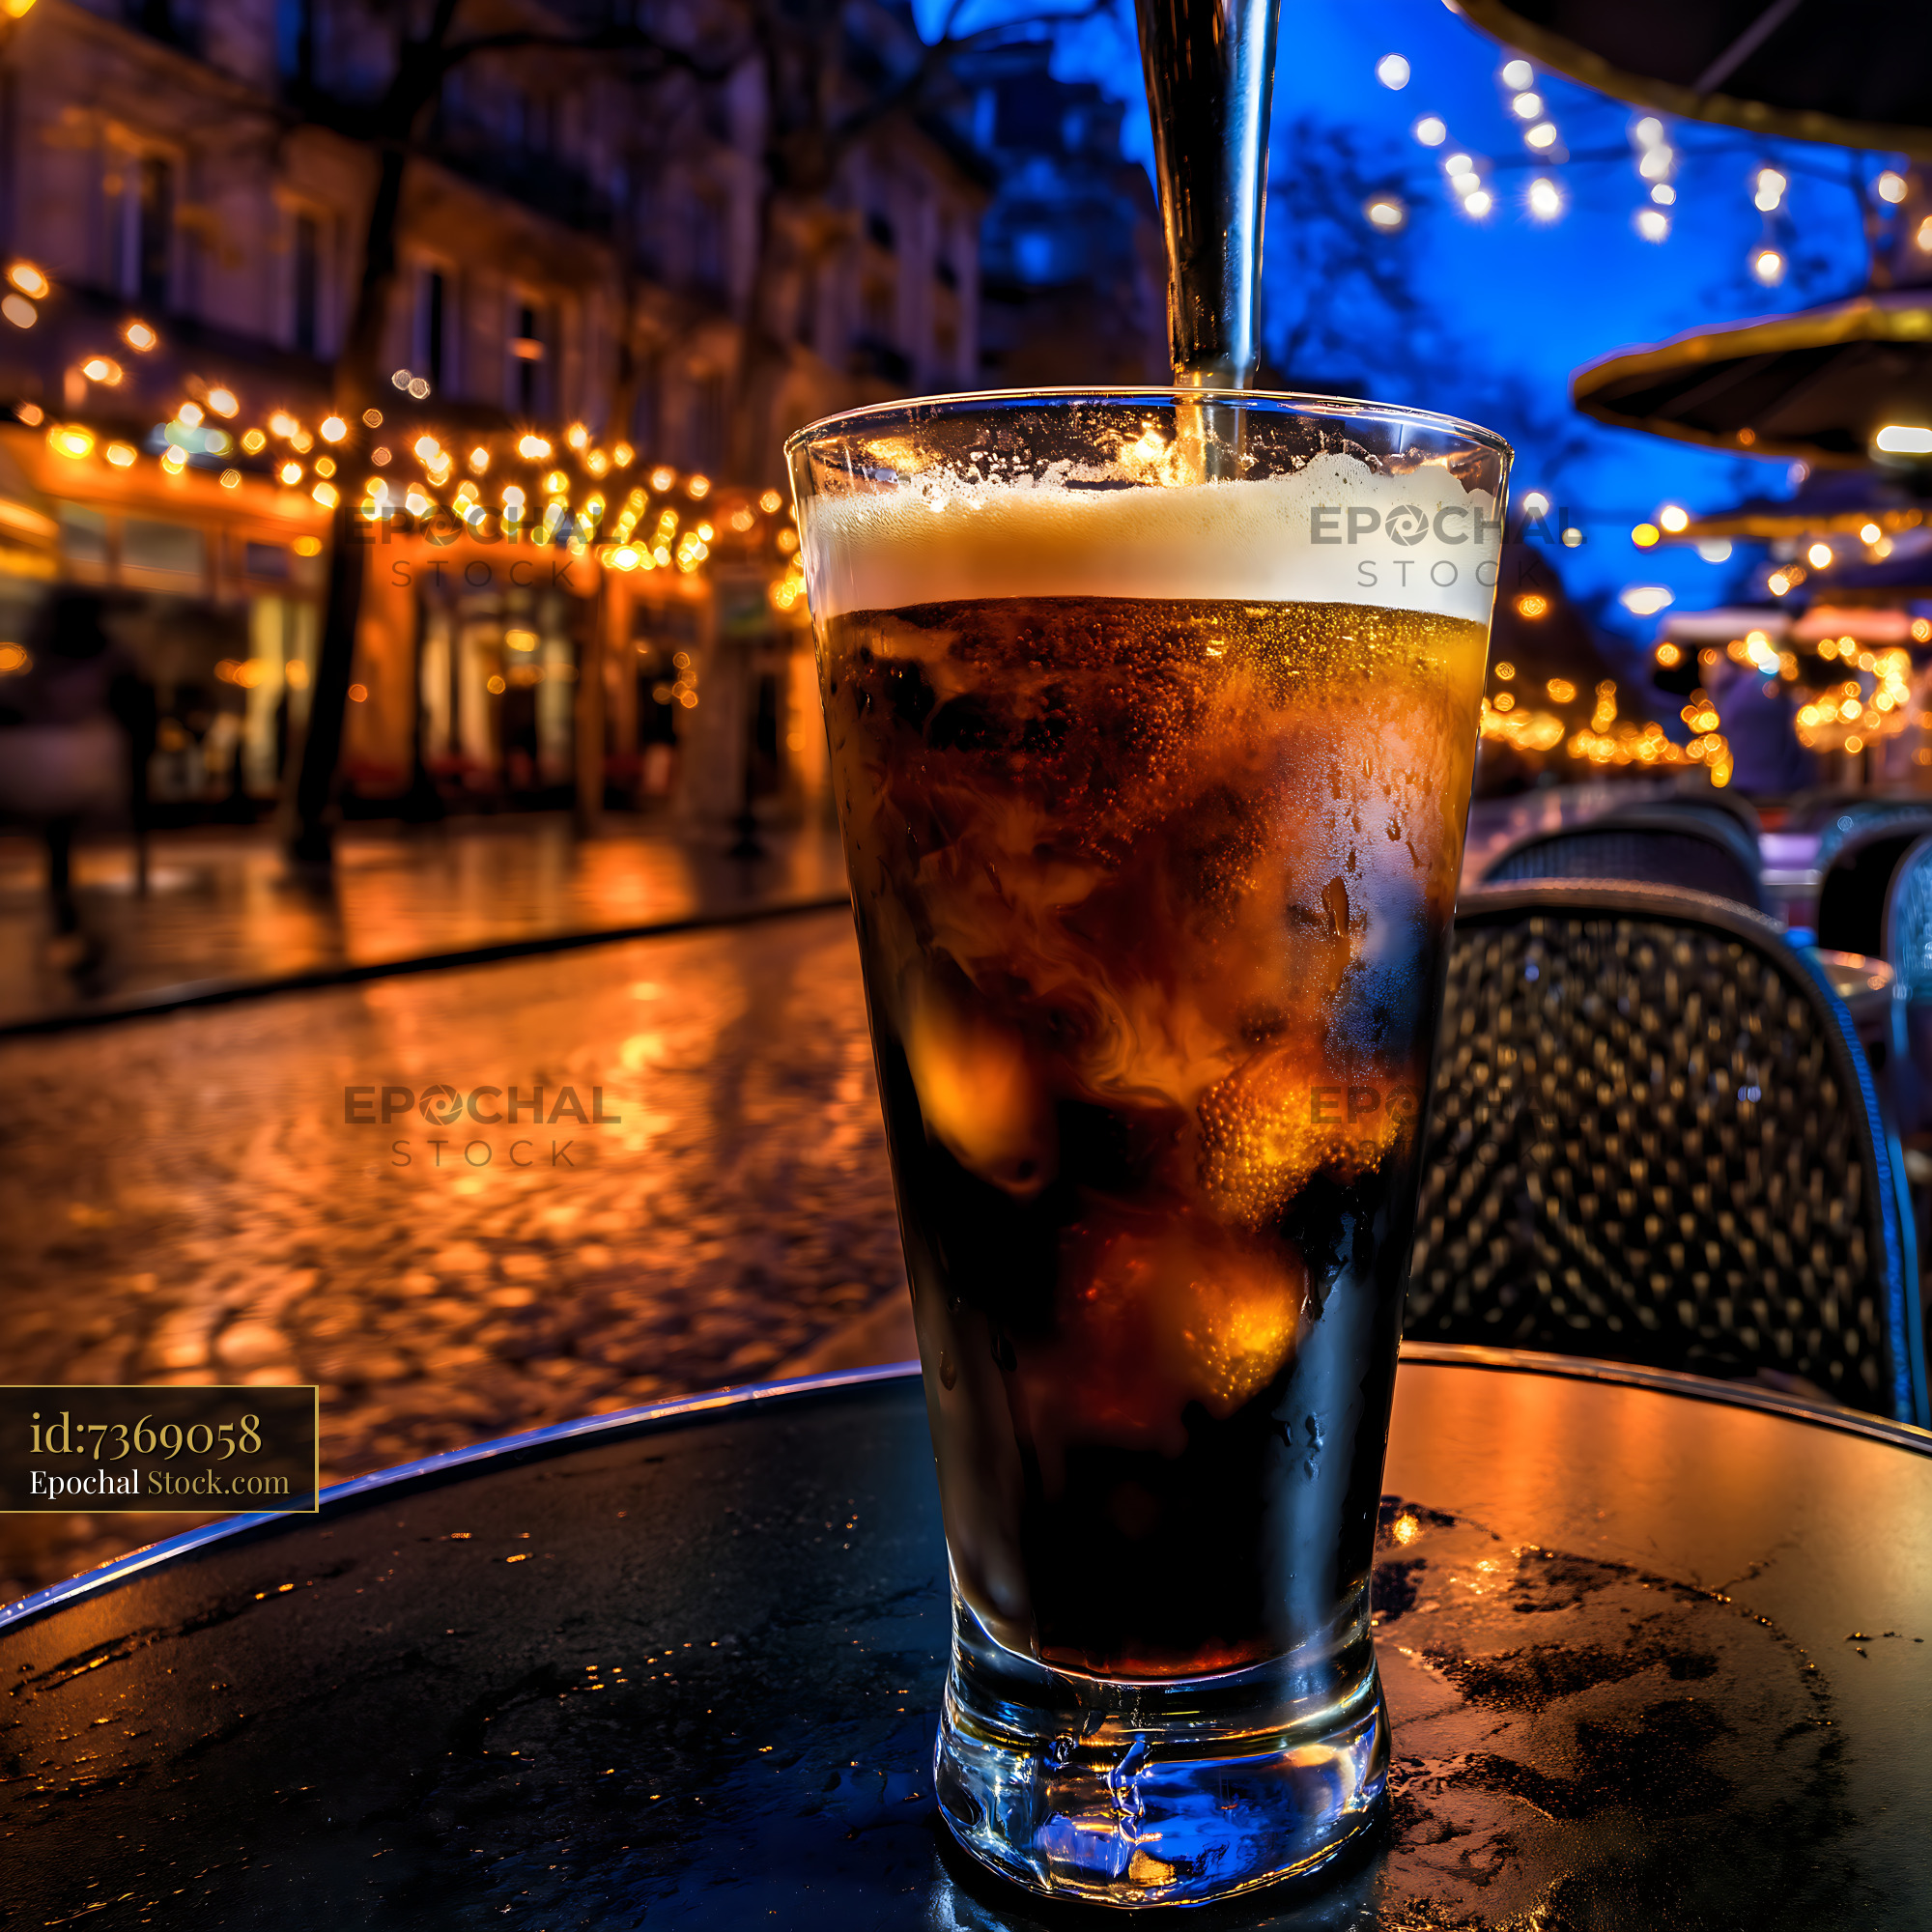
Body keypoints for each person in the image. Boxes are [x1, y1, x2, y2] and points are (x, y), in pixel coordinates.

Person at [0, 589, 154, 971]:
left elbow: (16, 704)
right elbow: (137, 711)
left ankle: (69, 920)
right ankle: (86, 926)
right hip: (92, 760)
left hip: (46, 765)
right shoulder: (111, 658)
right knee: (86, 843)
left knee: (61, 848)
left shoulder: (43, 655)